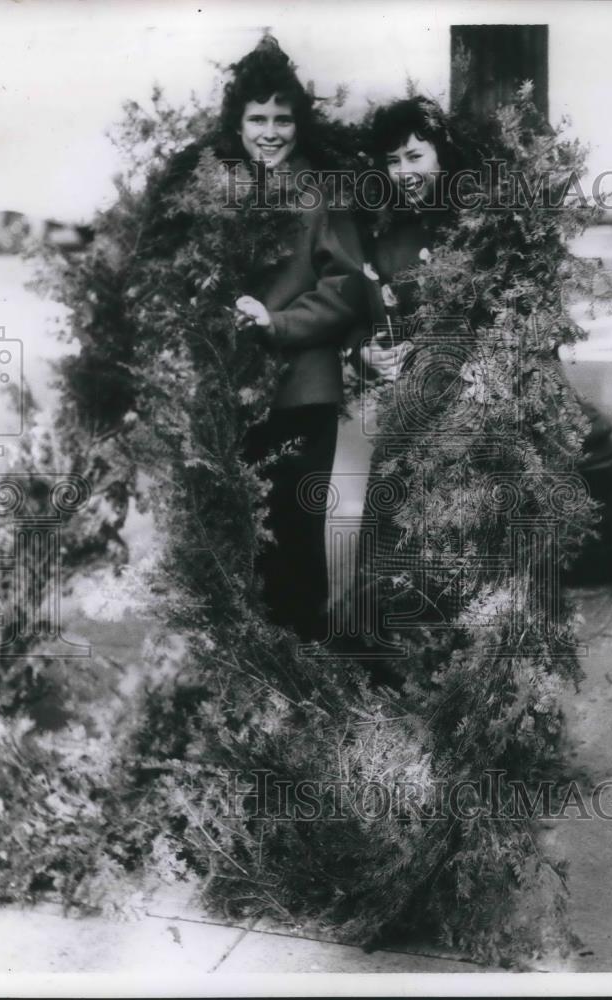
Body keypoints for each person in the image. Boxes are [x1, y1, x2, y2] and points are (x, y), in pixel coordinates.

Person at [218, 37, 369, 642]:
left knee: (297, 535)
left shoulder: (320, 190)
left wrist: (275, 324)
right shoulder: (219, 191)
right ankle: (253, 673)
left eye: (283, 118)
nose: (271, 131)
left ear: (299, 124)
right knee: (239, 535)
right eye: (258, 118)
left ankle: (304, 674)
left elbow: (348, 287)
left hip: (302, 395)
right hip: (233, 394)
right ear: (238, 123)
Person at [347, 97, 463, 667]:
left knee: (452, 551)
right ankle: (389, 671)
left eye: (415, 155)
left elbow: (499, 321)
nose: (404, 172)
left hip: (464, 419)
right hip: (403, 421)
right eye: (393, 160)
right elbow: (362, 316)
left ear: (441, 153)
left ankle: (448, 674)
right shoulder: (383, 229)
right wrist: (368, 353)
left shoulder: (474, 223)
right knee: (387, 545)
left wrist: (437, 351)